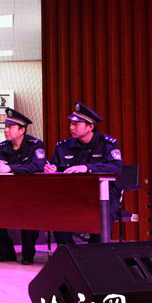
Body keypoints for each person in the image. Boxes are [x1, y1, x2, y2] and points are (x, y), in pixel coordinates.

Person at [44, 102, 123, 244]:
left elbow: (116, 167)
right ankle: (68, 250)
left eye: (77, 124)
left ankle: (95, 251)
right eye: (71, 123)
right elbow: (54, 165)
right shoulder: (63, 146)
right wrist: (52, 169)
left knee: (106, 211)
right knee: (55, 210)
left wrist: (87, 168)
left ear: (90, 127)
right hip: (72, 193)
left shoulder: (108, 144)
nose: (71, 127)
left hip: (101, 195)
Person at [0, 108, 46, 265]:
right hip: (5, 195)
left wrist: (10, 168)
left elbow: (37, 166)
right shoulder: (0, 148)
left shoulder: (35, 145)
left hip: (29, 195)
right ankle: (5, 253)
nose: (6, 130)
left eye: (10, 127)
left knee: (29, 215)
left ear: (22, 130)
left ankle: (27, 255)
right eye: (5, 126)